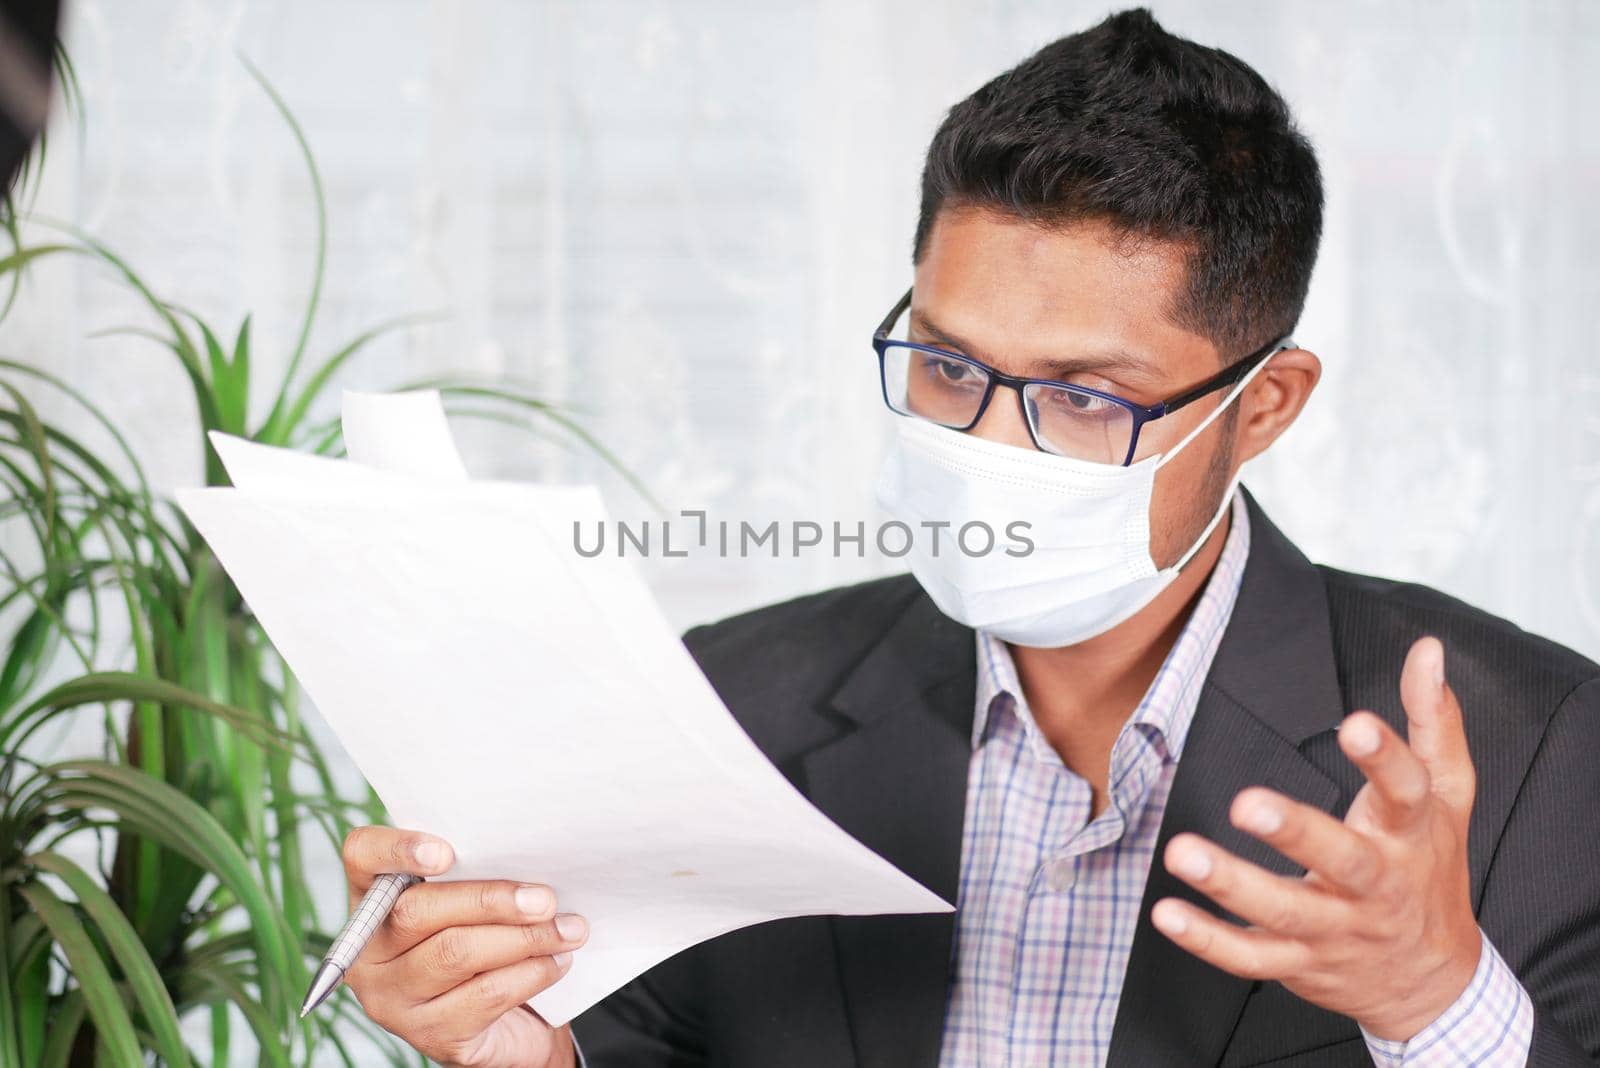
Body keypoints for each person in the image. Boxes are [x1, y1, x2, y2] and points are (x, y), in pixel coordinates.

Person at [338, 8, 1600, 1066]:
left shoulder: (1541, 752)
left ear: (1259, 406)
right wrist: (524, 1053)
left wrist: (1433, 1004)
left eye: (1082, 398)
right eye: (946, 366)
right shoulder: (726, 702)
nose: (990, 450)